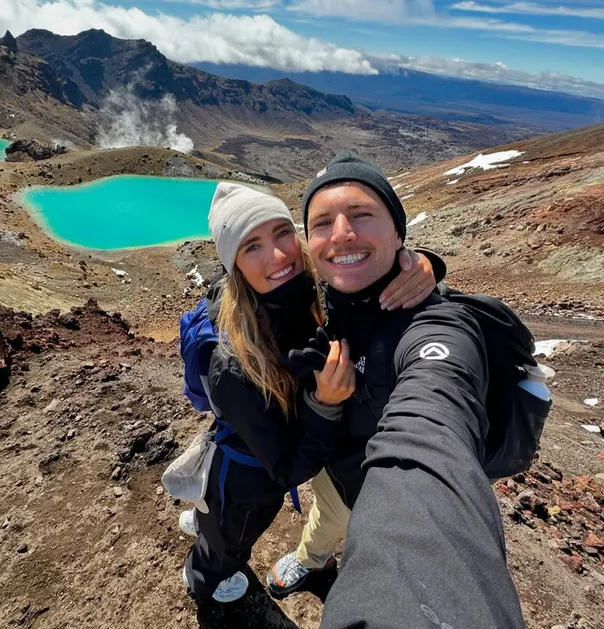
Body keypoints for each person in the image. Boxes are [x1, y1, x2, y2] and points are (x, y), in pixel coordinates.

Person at [266, 154, 530, 629]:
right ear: (311, 244)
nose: (342, 235)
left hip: (388, 484)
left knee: (359, 522)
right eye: (322, 224)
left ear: (398, 231)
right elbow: (244, 282)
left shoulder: (434, 325)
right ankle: (311, 562)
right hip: (338, 470)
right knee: (323, 524)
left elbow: (430, 419)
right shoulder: (321, 291)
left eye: (362, 215)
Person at [181, 181, 442, 605]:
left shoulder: (307, 289)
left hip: (284, 449)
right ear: (235, 267)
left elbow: (363, 275)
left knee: (220, 522)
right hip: (252, 475)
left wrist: (424, 265)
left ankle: (204, 525)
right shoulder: (231, 363)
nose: (279, 255)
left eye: (282, 233)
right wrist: (325, 404)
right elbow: (284, 470)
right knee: (231, 535)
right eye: (252, 246)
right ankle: (203, 578)